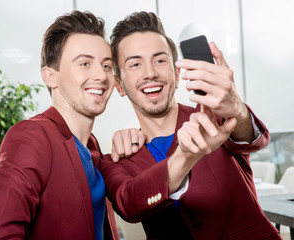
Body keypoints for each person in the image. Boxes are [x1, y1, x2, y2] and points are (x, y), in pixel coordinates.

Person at [99, 11, 281, 239]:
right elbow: (129, 204)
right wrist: (186, 155)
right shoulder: (117, 160)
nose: (150, 73)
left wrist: (237, 108)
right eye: (135, 64)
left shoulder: (213, 117)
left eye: (160, 60)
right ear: (119, 85)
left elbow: (247, 134)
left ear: (176, 74)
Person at [0, 10, 120, 240]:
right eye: (84, 63)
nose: (100, 75)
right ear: (50, 76)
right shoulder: (33, 137)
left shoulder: (91, 145)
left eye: (107, 65)